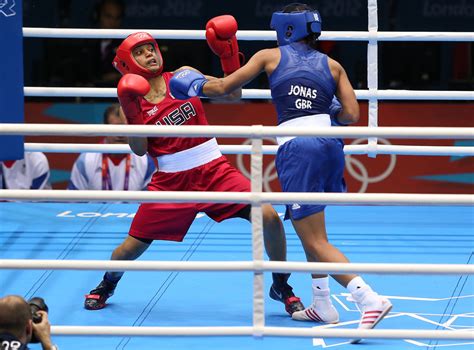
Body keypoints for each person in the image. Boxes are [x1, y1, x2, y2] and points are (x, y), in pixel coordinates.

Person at [169, 3, 392, 341]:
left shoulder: (268, 56)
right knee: (310, 229)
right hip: (330, 145)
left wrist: (191, 82)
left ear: (285, 29)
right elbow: (350, 115)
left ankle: (368, 298)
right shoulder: (333, 66)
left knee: (315, 238)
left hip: (299, 149)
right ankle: (322, 303)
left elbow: (223, 89)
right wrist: (322, 104)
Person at [84, 23, 304, 316]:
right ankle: (108, 283)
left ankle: (282, 285)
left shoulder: (181, 77)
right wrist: (133, 113)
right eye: (140, 52)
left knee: (269, 216)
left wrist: (229, 60)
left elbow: (232, 95)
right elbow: (138, 149)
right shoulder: (131, 100)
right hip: (171, 182)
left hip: (214, 170)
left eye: (151, 48)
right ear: (127, 64)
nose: (150, 54)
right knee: (129, 249)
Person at [68, 104, 155, 191]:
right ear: (104, 129)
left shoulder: (146, 162)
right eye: (115, 129)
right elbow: (72, 202)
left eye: (125, 129)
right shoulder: (85, 160)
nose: (120, 135)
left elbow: (150, 202)